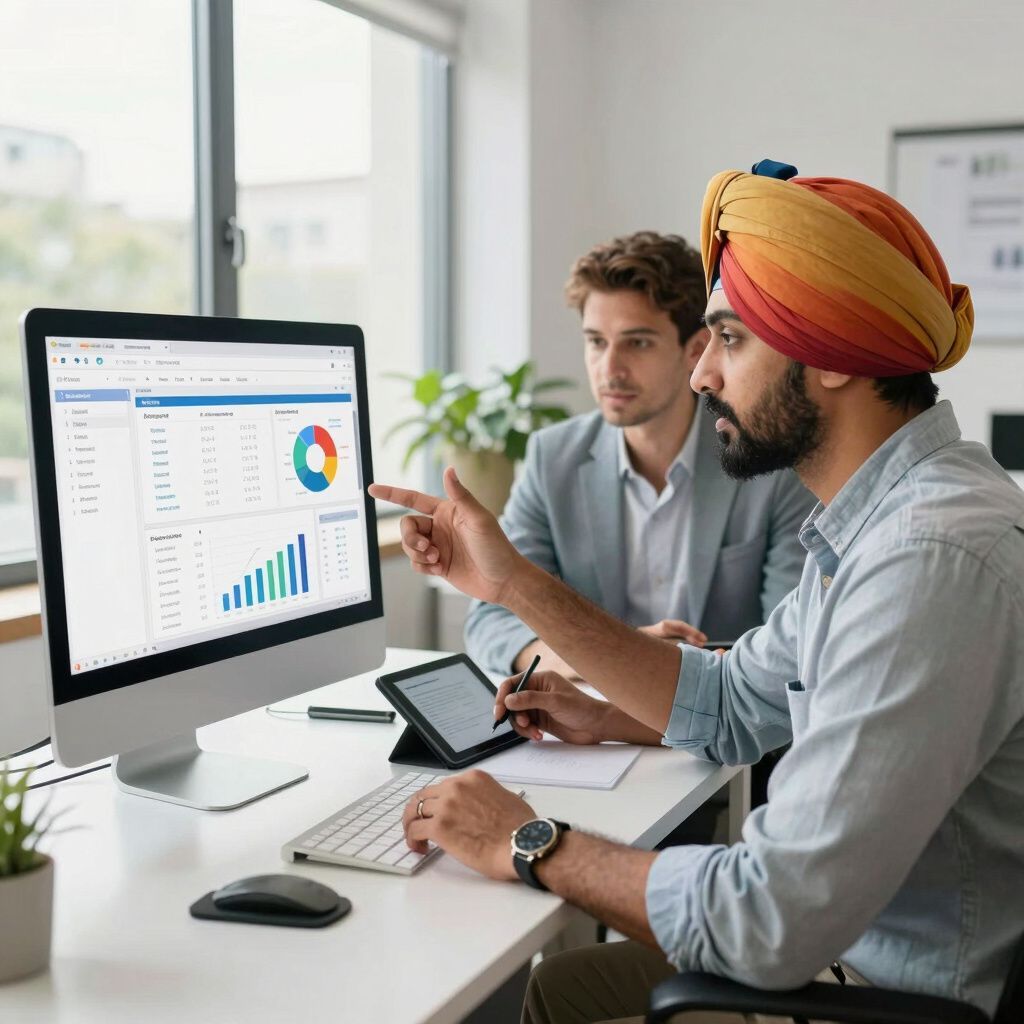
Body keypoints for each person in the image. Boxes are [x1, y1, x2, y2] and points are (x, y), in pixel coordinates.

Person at [370, 160, 1024, 1023]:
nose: (702, 372)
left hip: (881, 994)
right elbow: (728, 699)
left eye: (731, 339)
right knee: (554, 991)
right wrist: (513, 585)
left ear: (832, 356)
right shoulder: (884, 520)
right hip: (847, 956)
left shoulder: (926, 559)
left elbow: (770, 918)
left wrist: (525, 840)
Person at [465, 231, 812, 679]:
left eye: (637, 343)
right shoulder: (553, 459)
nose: (609, 369)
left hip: (728, 713)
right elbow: (491, 619)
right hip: (588, 712)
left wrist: (653, 666)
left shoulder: (766, 460)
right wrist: (608, 656)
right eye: (596, 342)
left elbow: (792, 642)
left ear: (695, 351)